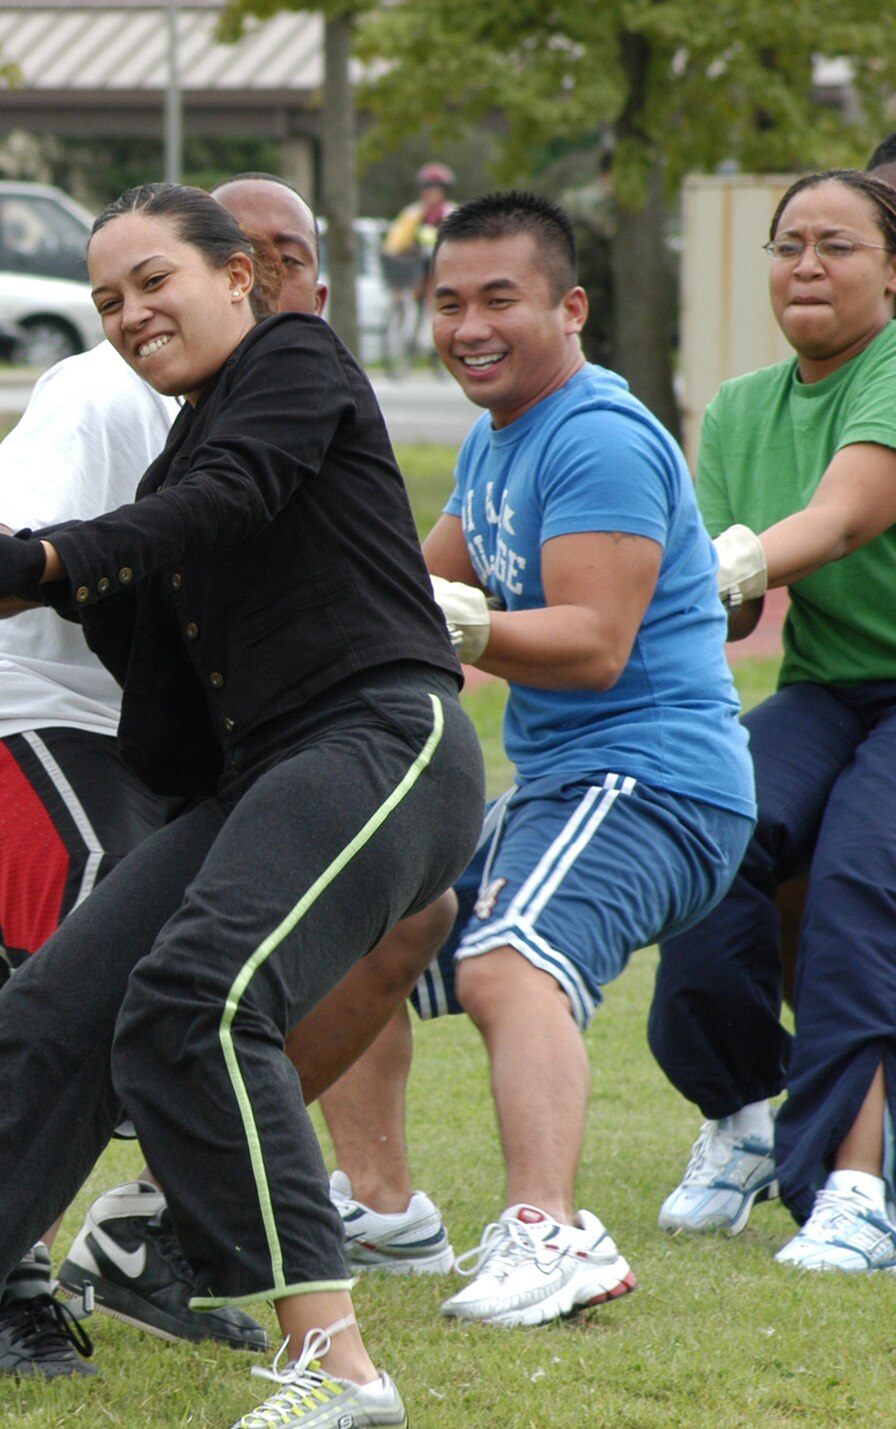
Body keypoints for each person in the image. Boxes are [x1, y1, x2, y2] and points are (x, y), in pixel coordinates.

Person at [0, 181, 487, 1429]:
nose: (129, 314)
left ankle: (338, 1372)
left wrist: (43, 557)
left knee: (202, 999)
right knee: (55, 1010)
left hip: (379, 737)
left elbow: (219, 502)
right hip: (260, 777)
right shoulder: (180, 444)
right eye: (104, 301)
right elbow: (145, 619)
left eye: (153, 282)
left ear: (238, 275)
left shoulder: (293, 362)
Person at [316, 190, 755, 1329]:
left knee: (509, 958)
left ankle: (547, 1231)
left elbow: (593, 645)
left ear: (569, 307)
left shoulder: (596, 435)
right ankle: (376, 1205)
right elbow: (406, 595)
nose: (467, 325)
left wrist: (455, 626)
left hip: (657, 782)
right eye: (446, 301)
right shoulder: (493, 436)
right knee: (371, 919)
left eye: (497, 299)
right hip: (566, 783)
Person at [647, 169, 896, 1269]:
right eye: (786, 242)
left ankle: (854, 1184)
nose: (804, 263)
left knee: (850, 881)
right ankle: (738, 1112)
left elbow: (841, 519)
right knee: (705, 825)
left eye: (835, 244)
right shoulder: (742, 404)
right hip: (826, 685)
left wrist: (718, 566)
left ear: (890, 272)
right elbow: (723, 590)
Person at [380, 162, 456, 374]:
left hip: (441, 267)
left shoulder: (452, 214)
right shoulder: (413, 214)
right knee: (408, 292)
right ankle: (408, 336)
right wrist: (393, 251)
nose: (430, 195)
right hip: (416, 266)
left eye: (435, 190)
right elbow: (396, 240)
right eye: (427, 190)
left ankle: (432, 338)